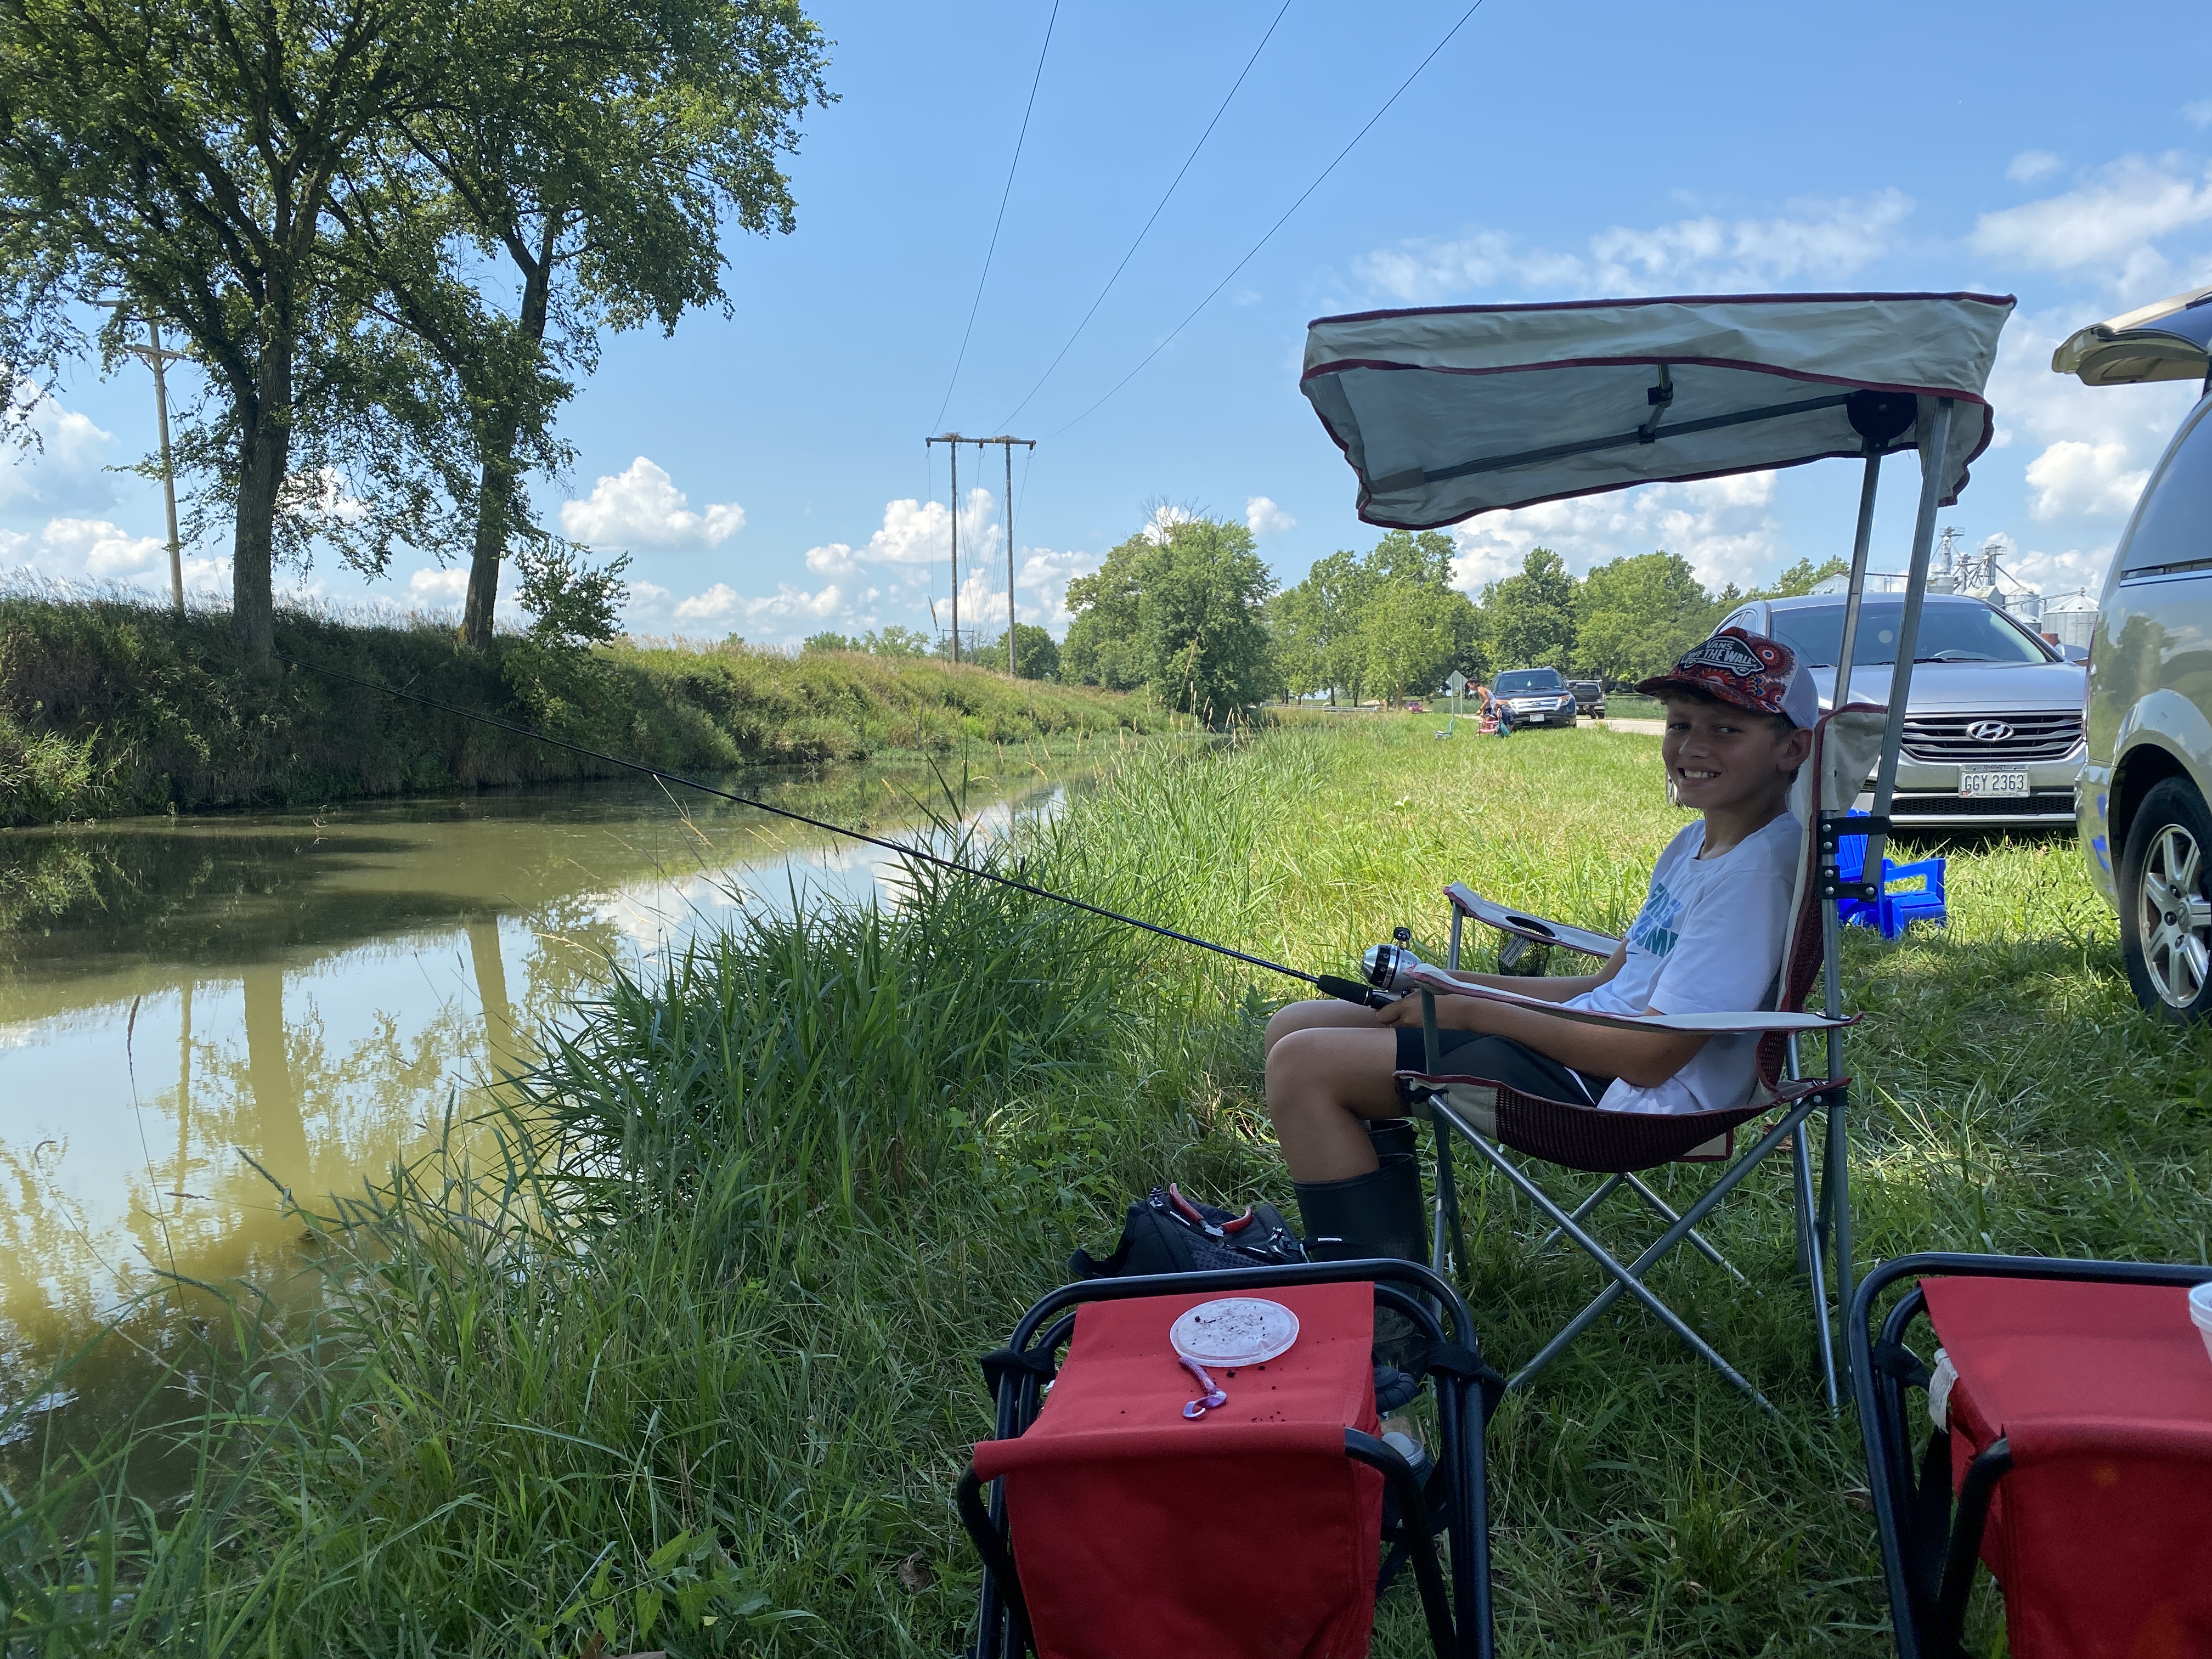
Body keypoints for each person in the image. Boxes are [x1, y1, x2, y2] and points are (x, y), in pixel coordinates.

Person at [1263, 627, 1817, 1272]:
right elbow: (1602, 988)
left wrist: (1474, 1012)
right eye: (1680, 724)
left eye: (1726, 729)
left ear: (1792, 748)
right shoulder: (1692, 845)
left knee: (1305, 1065)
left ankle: (1382, 1301)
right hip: (1587, 1049)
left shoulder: (1757, 873)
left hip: (1623, 1098)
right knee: (1294, 1024)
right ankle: (1387, 1262)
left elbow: (1652, 1056)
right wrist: (1453, 986)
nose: (1692, 747)